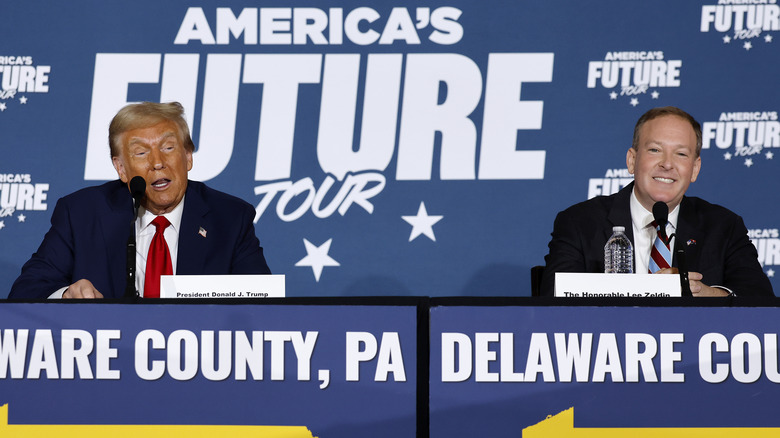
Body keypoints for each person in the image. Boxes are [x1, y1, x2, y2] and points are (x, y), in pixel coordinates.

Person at [9, 101, 271, 299]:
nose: (158, 163)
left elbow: (265, 305)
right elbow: (26, 291)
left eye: (168, 148)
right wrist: (66, 295)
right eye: (141, 152)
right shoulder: (82, 213)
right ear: (121, 168)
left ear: (188, 156)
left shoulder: (231, 218)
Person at [541, 106, 773, 297]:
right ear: (632, 161)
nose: (667, 164)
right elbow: (552, 299)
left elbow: (760, 300)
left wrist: (704, 294)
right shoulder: (580, 223)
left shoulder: (724, 226)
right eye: (655, 150)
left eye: (681, 154)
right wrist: (648, 291)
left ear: (695, 169)